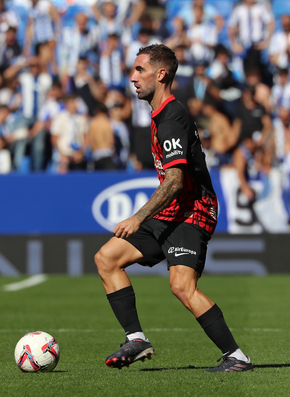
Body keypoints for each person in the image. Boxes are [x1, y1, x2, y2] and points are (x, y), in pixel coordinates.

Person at [94, 44, 252, 372]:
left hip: (193, 209)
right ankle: (136, 338)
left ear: (160, 74)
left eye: (140, 70)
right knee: (106, 259)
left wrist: (138, 217)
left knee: (182, 286)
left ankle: (236, 357)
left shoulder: (172, 115)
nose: (132, 77)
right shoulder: (159, 114)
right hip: (173, 210)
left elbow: (176, 181)